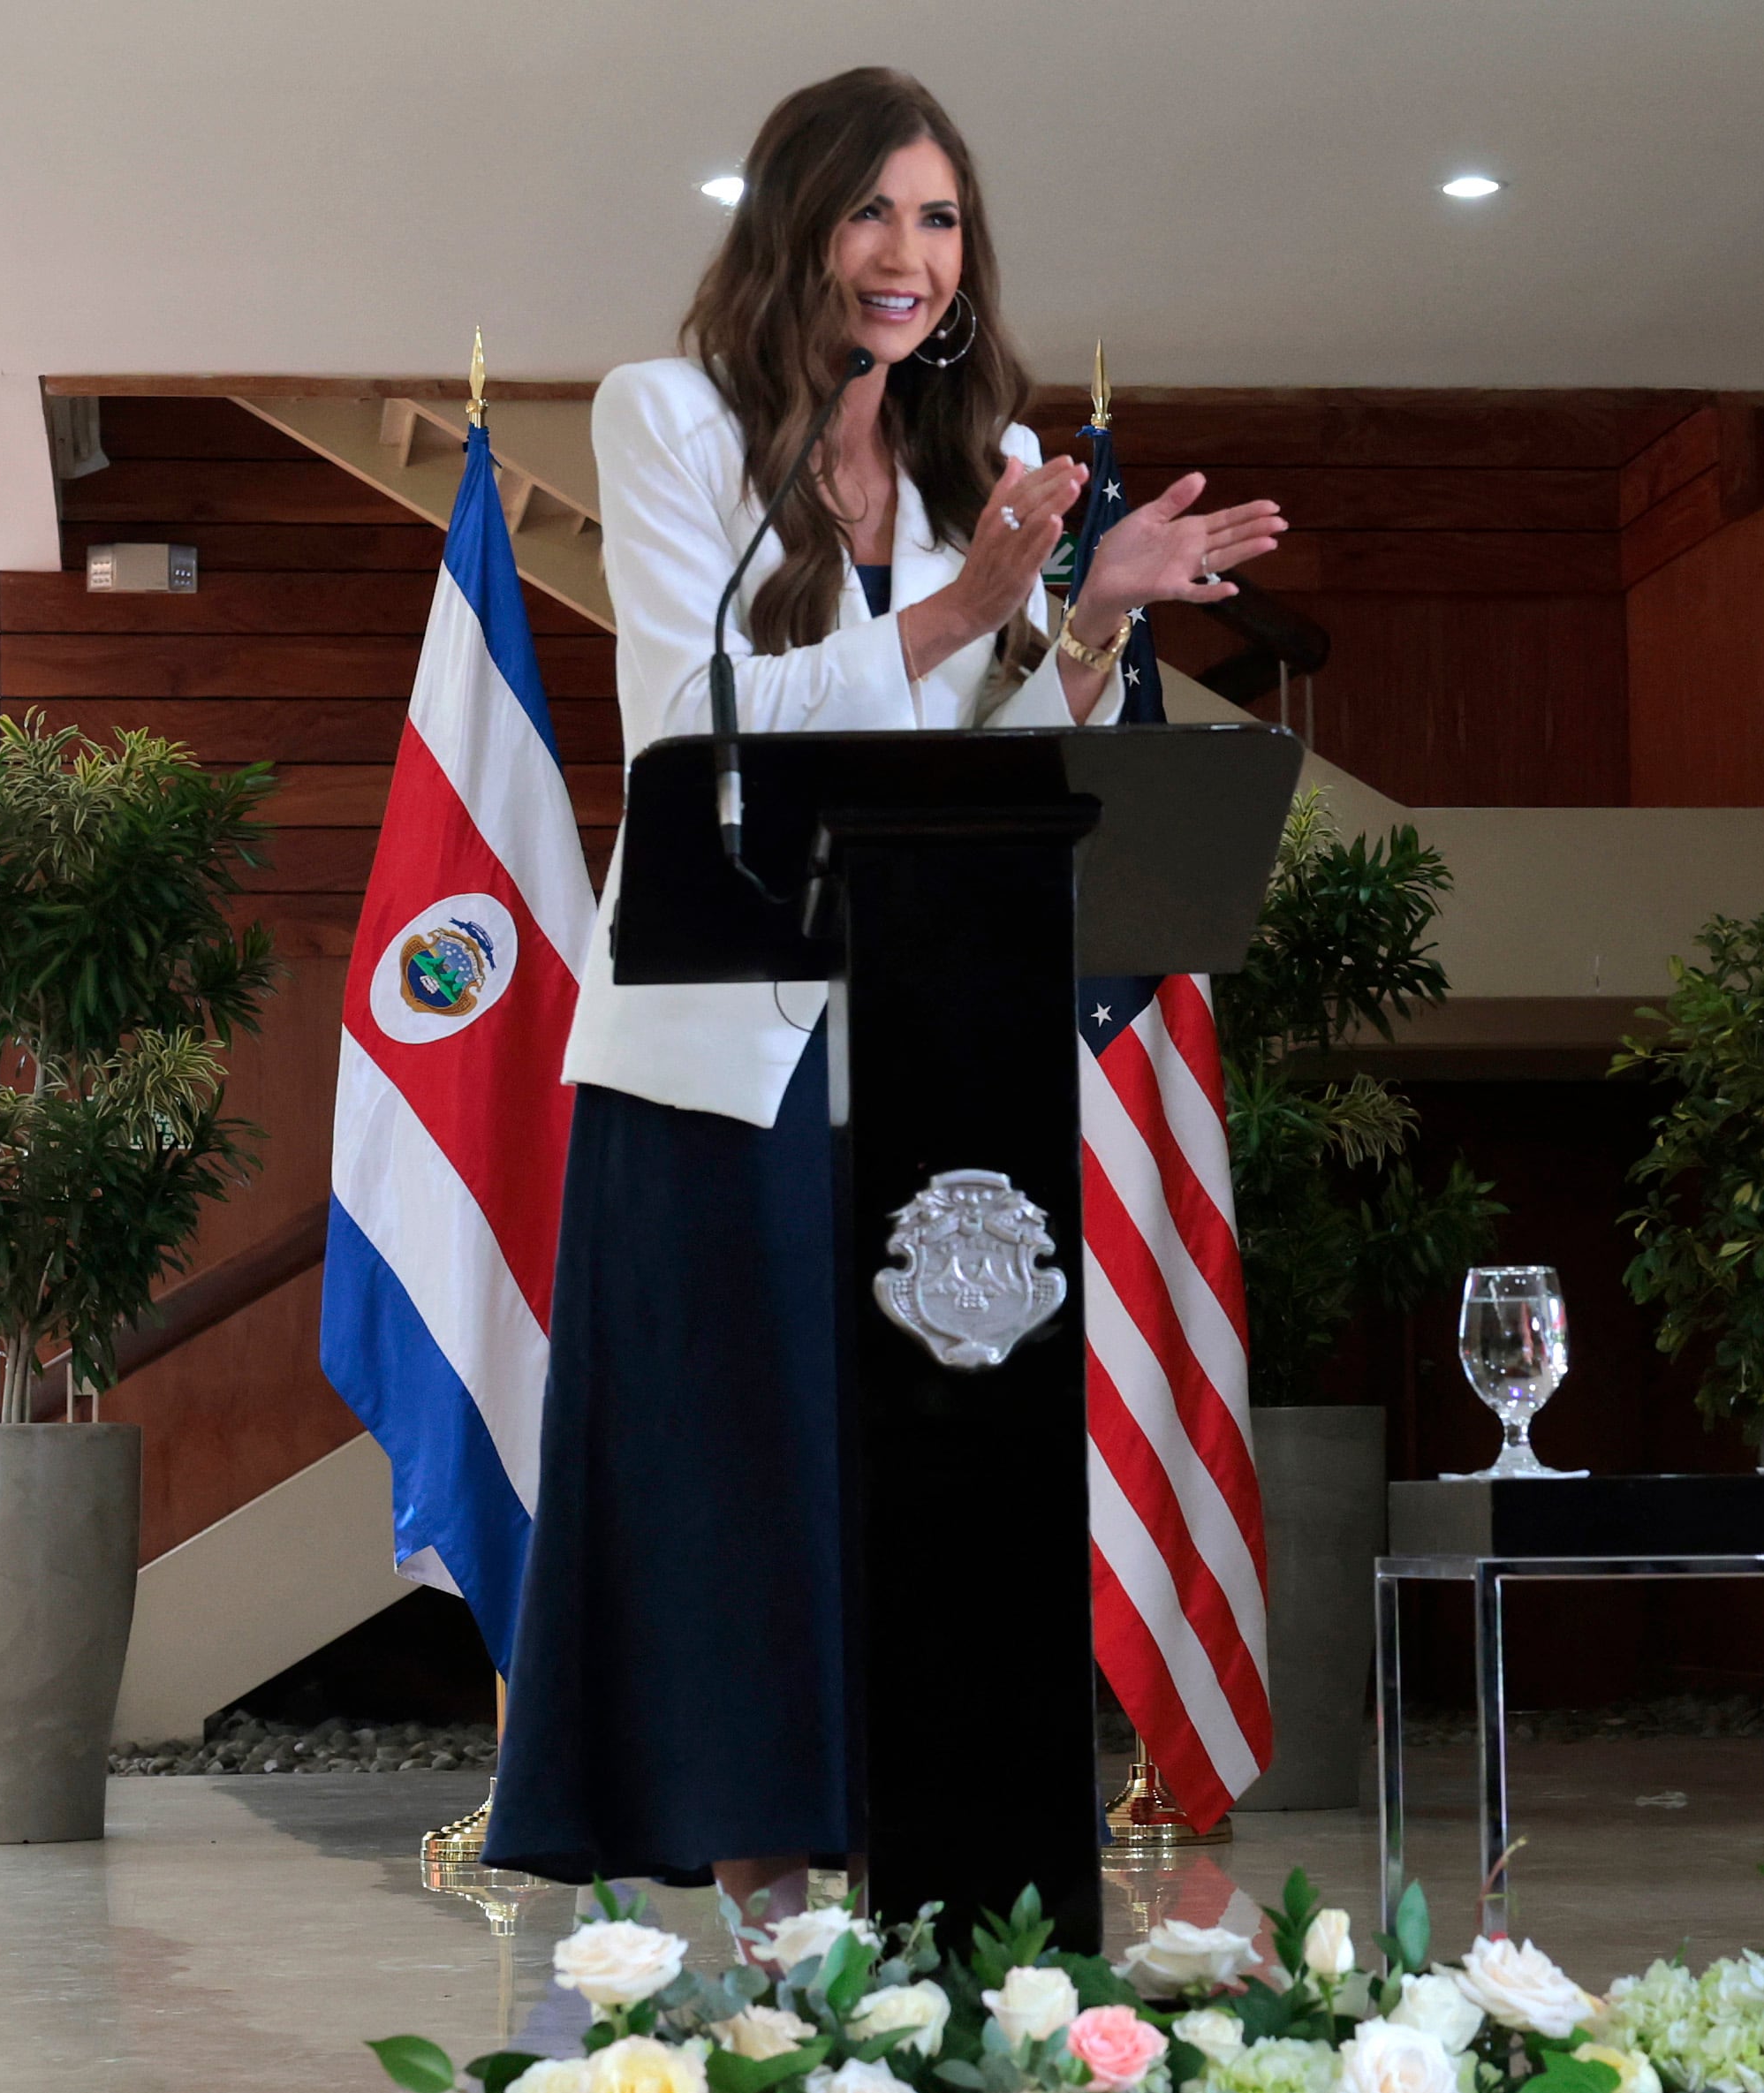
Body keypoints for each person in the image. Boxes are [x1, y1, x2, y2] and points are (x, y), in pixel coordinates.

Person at [484, 66, 1283, 1915]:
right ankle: (767, 1895)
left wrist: (1081, 619)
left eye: (936, 220)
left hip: (925, 1059)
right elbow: (694, 723)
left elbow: (1000, 769)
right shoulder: (669, 416)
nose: (904, 255)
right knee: (740, 1477)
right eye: (870, 212)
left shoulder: (981, 471)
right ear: (794, 224)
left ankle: (932, 1882)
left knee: (917, 1476)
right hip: (716, 1052)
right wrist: (950, 612)